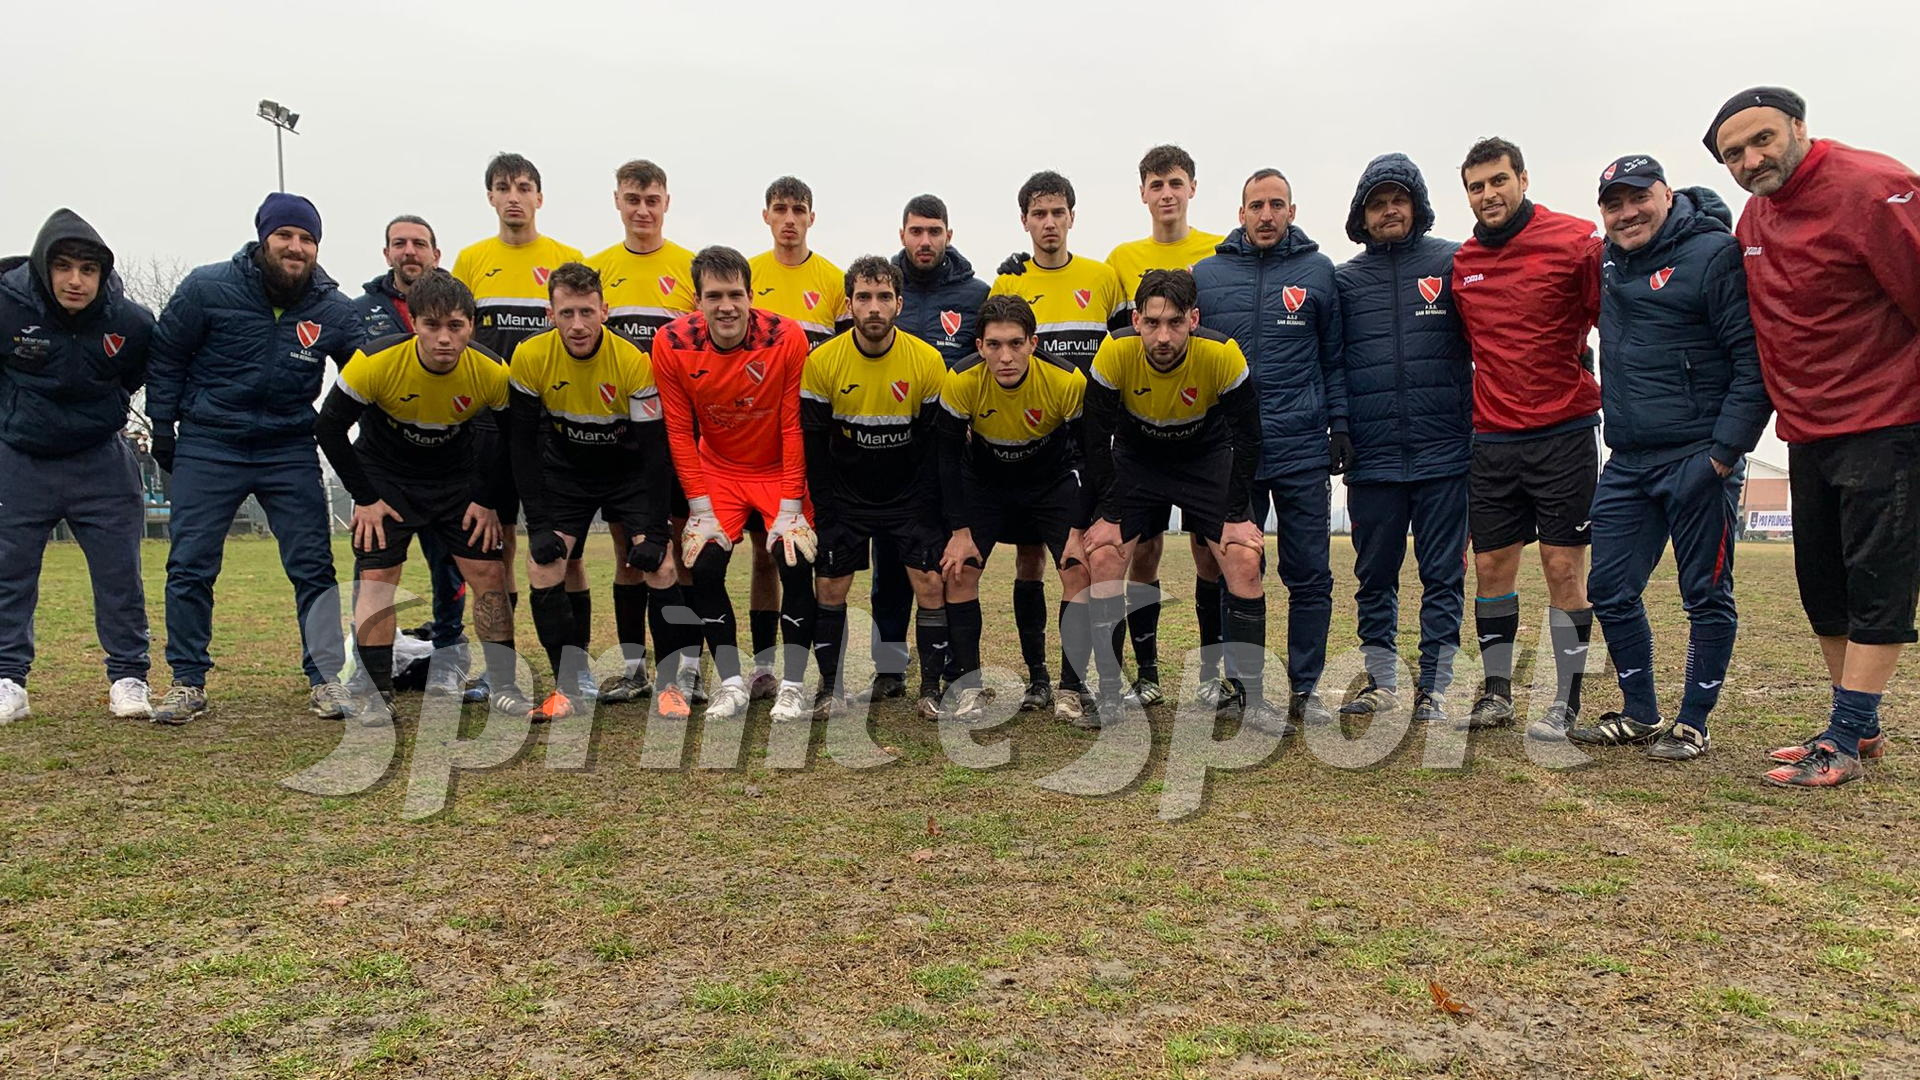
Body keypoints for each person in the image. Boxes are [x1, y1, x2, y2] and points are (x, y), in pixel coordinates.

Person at [1704, 87, 1920, 786]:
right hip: (1807, 428)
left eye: (1762, 139)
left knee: (1877, 580)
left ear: (1799, 125)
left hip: (1886, 420)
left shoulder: (1877, 188)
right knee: (1821, 584)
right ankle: (1856, 722)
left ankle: (1848, 735)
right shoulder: (1755, 212)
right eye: (1734, 153)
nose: (1750, 159)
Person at [1564, 154, 1771, 763]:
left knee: (1705, 592)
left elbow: (1750, 361)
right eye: (1612, 203)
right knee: (1608, 586)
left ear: (1667, 193)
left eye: (1638, 198)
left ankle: (1693, 722)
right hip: (1627, 458)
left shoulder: (1714, 255)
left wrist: (1724, 454)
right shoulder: (1606, 261)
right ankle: (1640, 714)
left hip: (1698, 455)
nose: (1627, 213)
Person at [144, 193, 365, 725]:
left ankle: (325, 679)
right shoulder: (205, 287)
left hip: (288, 445)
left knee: (313, 566)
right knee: (191, 564)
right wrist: (162, 425)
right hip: (210, 441)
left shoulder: (332, 308)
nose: (296, 247)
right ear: (263, 237)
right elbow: (167, 356)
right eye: (285, 235)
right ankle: (187, 681)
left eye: (308, 239)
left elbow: (368, 373)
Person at [314, 271, 534, 721]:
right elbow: (328, 429)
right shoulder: (375, 362)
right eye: (432, 325)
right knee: (379, 579)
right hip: (387, 480)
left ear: (471, 326)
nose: (444, 338)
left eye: (455, 326)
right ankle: (377, 694)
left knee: (488, 575)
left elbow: (517, 442)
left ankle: (505, 686)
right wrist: (366, 497)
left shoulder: (492, 372)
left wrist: (488, 499)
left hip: (457, 480)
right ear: (413, 322)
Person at [1450, 137, 1603, 737]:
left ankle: (1566, 700)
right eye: (1476, 186)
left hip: (1563, 433)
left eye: (1498, 181)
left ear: (1523, 179)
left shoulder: (1575, 241)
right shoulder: (1462, 263)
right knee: (1491, 566)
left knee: (1563, 568)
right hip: (1492, 439)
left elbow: (1609, 318)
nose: (1488, 194)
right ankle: (1496, 693)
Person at [1081, 270, 1275, 729]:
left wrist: (1232, 516)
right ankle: (1112, 694)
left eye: (1174, 323)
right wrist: (1109, 514)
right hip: (1138, 459)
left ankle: (1252, 700)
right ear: (1135, 320)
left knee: (1243, 559)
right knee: (1107, 556)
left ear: (1194, 318)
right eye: (1151, 323)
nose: (1162, 336)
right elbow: (1094, 436)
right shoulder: (1115, 351)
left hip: (1204, 457)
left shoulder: (1221, 354)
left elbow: (1249, 438)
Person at [507, 262, 695, 722]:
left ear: (604, 311)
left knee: (660, 562)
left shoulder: (632, 362)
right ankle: (567, 687)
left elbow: (655, 453)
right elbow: (521, 446)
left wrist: (652, 531)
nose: (577, 324)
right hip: (566, 475)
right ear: (550, 313)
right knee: (544, 564)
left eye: (586, 312)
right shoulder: (530, 358)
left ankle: (670, 686)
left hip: (628, 472)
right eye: (566, 312)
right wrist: (539, 522)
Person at [1193, 168, 1346, 728]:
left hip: (1302, 446)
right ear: (1240, 214)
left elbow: (1334, 360)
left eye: (1276, 204)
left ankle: (1307, 688)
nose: (1265, 214)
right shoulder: (1206, 276)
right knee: (1237, 566)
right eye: (1255, 205)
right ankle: (1241, 685)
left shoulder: (1319, 273)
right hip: (1232, 454)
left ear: (1292, 211)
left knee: (1309, 575)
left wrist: (1340, 426)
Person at [1332, 154, 1474, 725]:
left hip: (1446, 451)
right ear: (1361, 215)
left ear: (1416, 205)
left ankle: (1436, 685)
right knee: (1375, 577)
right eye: (1376, 202)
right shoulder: (1343, 281)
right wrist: (1340, 428)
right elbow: (1333, 362)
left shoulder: (1453, 261)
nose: (1389, 209)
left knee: (1443, 575)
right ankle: (1382, 679)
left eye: (1399, 199)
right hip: (1373, 457)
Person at [651, 246, 819, 723]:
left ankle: (791, 684)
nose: (726, 306)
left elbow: (792, 424)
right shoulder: (672, 342)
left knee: (793, 560)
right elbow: (680, 430)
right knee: (703, 568)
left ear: (751, 295)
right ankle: (730, 682)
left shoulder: (785, 335)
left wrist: (790, 505)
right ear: (697, 301)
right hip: (719, 469)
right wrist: (699, 506)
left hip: (776, 467)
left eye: (735, 294)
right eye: (714, 296)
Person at [0, 209, 155, 722]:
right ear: (45, 268)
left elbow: (136, 376)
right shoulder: (5, 305)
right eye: (64, 266)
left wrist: (103, 414)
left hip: (101, 462)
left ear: (102, 274)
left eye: (88, 269)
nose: (76, 280)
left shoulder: (130, 321)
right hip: (19, 460)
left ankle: (129, 677)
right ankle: (8, 680)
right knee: (9, 574)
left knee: (120, 576)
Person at [988, 170, 1129, 714]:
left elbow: (1125, 349)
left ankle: (1076, 682)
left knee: (1086, 561)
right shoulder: (1010, 285)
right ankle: (1038, 678)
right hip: (1033, 446)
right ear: (1024, 221)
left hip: (1091, 444)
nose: (1049, 223)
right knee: (1030, 563)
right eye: (1038, 214)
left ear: (1073, 216)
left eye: (1058, 212)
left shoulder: (1103, 278)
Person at [451, 152, 588, 702]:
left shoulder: (565, 259)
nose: (514, 196)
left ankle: (574, 672)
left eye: (524, 186)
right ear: (489, 197)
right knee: (495, 549)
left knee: (566, 553)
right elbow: (456, 337)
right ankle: (499, 672)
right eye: (503, 187)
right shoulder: (470, 259)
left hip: (552, 429)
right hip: (490, 426)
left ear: (539, 197)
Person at [1100, 146, 1228, 708]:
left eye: (1176, 182)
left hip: (1201, 433)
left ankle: (1210, 675)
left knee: (1209, 555)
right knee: (1143, 552)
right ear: (1143, 193)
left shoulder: (1220, 251)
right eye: (1156, 184)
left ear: (1193, 188)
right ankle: (1147, 674)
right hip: (1141, 436)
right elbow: (1098, 331)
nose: (1167, 193)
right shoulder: (1120, 258)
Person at [801, 256, 950, 720]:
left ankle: (929, 690)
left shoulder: (926, 360)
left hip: (908, 495)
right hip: (847, 495)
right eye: (863, 297)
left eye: (884, 297)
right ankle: (830, 689)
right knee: (829, 586)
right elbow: (814, 445)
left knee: (928, 582)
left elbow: (934, 447)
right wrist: (825, 510)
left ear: (899, 304)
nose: (873, 307)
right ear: (848, 304)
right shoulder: (822, 362)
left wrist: (927, 510)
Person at [937, 295, 1095, 725]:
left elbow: (1090, 455)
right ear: (979, 345)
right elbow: (947, 459)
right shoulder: (961, 379)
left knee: (1077, 570)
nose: (1005, 356)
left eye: (1015, 344)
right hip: (985, 482)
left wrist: (1080, 526)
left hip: (1051, 480)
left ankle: (1068, 687)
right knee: (960, 570)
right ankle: (969, 688)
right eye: (994, 345)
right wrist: (959, 528)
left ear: (1033, 343)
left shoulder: (1066, 381)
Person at [353, 214, 468, 696]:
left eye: (419, 243)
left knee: (453, 566)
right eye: (399, 243)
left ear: (436, 254)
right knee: (376, 569)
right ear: (386, 254)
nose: (409, 251)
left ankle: (449, 654)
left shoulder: (457, 305)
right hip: (386, 469)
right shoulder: (359, 312)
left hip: (446, 466)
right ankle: (366, 670)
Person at [748, 176, 849, 348]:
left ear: (811, 218)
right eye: (780, 209)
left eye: (799, 210)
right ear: (766, 216)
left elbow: (847, 351)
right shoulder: (746, 276)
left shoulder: (838, 281)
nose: (789, 220)